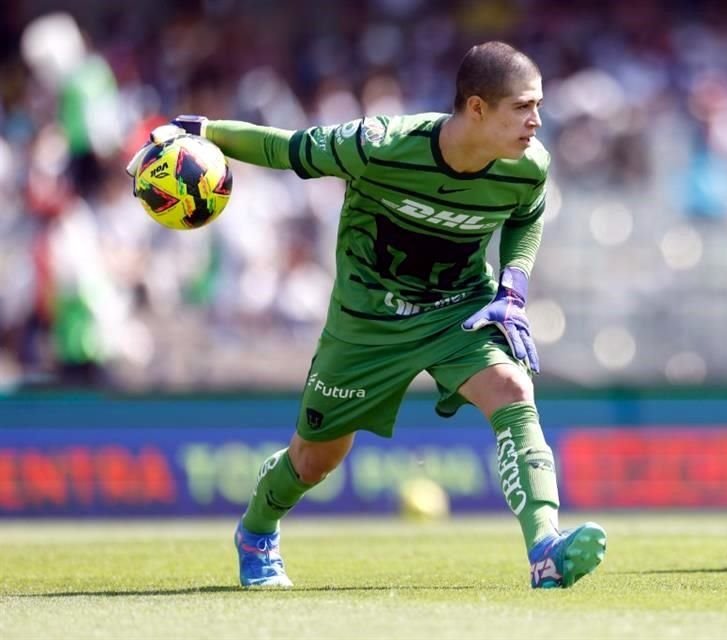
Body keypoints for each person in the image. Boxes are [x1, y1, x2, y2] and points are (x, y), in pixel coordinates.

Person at [129, 41, 606, 590]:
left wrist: (513, 285)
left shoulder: (528, 167)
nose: (536, 121)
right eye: (523, 107)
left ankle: (545, 548)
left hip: (457, 310)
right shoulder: (381, 145)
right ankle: (257, 532)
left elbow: (528, 216)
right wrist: (208, 133)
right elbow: (290, 149)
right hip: (367, 322)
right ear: (477, 108)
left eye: (538, 106)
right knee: (316, 459)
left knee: (512, 390)